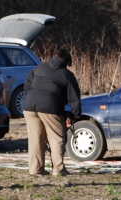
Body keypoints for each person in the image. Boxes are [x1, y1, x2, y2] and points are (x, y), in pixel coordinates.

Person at [23, 48, 81, 176]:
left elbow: (27, 85)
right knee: (56, 138)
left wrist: (33, 99)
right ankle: (58, 169)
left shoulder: (39, 68)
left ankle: (35, 169)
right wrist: (74, 116)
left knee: (35, 139)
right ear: (67, 62)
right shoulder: (66, 74)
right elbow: (74, 98)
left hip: (29, 106)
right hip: (50, 107)